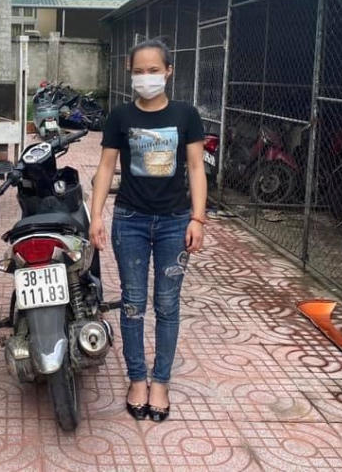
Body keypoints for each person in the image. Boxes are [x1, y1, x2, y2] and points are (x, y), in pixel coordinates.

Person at [89, 39, 206, 422]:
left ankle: (161, 382)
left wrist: (198, 219)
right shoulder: (120, 116)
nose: (146, 77)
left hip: (175, 222)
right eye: (139, 71)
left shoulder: (186, 115)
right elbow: (106, 167)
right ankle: (137, 378)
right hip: (130, 221)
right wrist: (96, 216)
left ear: (168, 71)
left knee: (168, 304)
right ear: (130, 71)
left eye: (154, 70)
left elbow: (195, 168)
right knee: (133, 303)